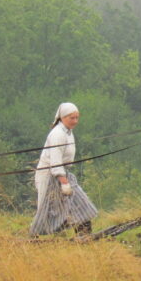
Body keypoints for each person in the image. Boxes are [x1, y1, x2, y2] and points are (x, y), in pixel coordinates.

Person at [29, 102, 97, 237]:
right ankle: (34, 236)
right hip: (51, 176)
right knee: (48, 210)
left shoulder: (68, 133)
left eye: (77, 118)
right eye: (72, 118)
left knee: (80, 203)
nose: (75, 121)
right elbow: (55, 162)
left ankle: (84, 236)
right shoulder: (57, 134)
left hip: (63, 174)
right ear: (62, 117)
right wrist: (64, 182)